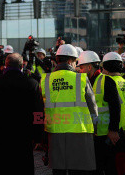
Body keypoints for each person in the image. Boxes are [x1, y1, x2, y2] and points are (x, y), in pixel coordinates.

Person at [41, 44, 98, 175]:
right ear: (70, 61)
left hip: (54, 131)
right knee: (77, 169)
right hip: (79, 131)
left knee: (58, 169)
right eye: (75, 62)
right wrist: (95, 127)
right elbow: (92, 106)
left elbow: (41, 107)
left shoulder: (46, 79)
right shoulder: (80, 78)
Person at [0, 53, 44, 175]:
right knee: (22, 167)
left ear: (5, 65)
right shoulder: (32, 83)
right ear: (21, 66)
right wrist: (38, 135)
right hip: (24, 135)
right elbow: (38, 111)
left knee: (1, 167)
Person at [93, 52, 125, 175]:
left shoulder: (104, 81)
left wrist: (113, 129)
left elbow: (114, 106)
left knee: (112, 166)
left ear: (104, 67)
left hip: (111, 132)